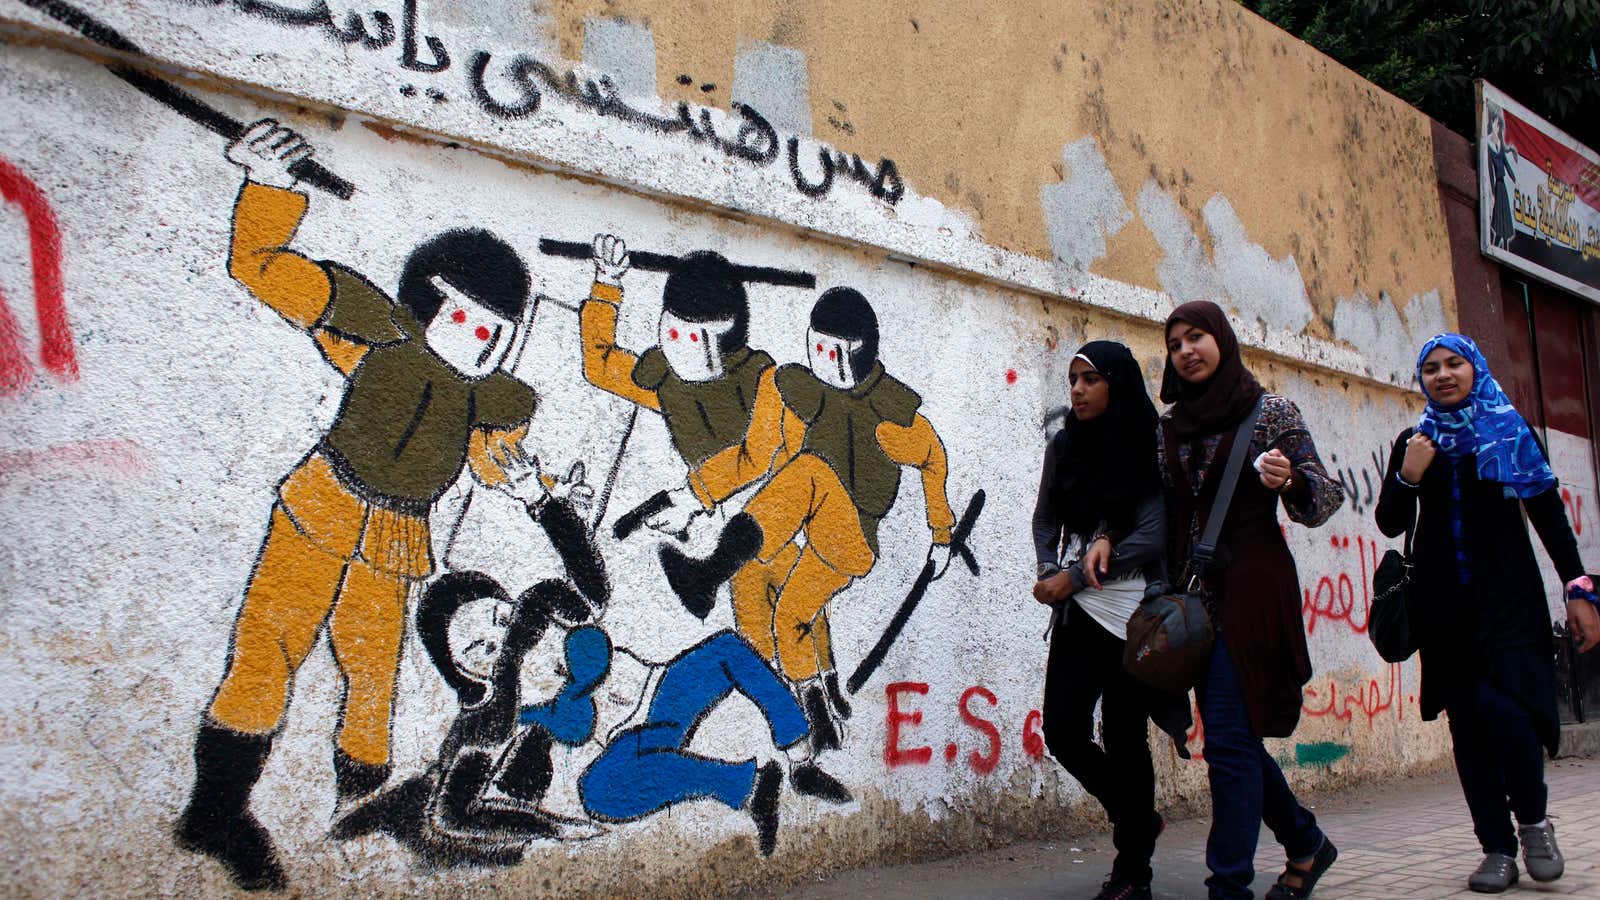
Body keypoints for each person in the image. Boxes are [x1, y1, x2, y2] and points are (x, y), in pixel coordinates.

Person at [176, 119, 542, 891]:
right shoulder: (375, 332)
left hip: (396, 537)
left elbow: (484, 457)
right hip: (323, 506)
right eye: (467, 321)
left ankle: (359, 804)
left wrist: (522, 477)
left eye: (494, 334)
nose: (479, 344)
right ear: (428, 304)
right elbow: (263, 265)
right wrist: (269, 185)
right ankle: (214, 811)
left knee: (374, 673)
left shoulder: (487, 399)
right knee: (270, 647)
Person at [651, 287, 955, 750]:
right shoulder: (789, 388)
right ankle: (819, 719)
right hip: (800, 528)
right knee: (787, 616)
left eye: (834, 352)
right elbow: (753, 456)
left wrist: (941, 533)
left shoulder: (890, 415)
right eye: (816, 347)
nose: (822, 361)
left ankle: (708, 572)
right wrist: (692, 495)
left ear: (859, 352)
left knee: (811, 472)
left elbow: (933, 457)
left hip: (850, 537)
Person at [1375, 333, 1597, 894]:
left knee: (1511, 716)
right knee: (1468, 729)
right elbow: (1387, 519)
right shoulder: (1415, 440)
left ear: (1475, 369)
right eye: (1431, 368)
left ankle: (1535, 826)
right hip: (1442, 611)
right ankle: (1496, 849)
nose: (1443, 375)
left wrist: (1579, 589)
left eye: (1454, 364)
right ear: (1420, 378)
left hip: (1510, 606)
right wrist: (1409, 474)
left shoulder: (1511, 432)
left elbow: (1549, 514)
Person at [1159, 301, 1344, 900]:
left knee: (1231, 743)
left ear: (1223, 340)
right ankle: (1306, 842)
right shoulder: (1170, 427)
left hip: (1253, 595)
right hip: (1194, 603)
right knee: (1231, 742)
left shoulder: (1270, 414)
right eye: (1176, 343)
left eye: (1198, 337)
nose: (1187, 350)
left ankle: (1228, 886)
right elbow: (1163, 515)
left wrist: (1290, 479)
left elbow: (1325, 500)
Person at [1030, 341, 1191, 900]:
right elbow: (1047, 516)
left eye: (1089, 379)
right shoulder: (1064, 447)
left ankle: (1133, 873)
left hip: (1131, 617)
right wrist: (1051, 567)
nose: (1076, 389)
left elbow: (1150, 535)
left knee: (1125, 739)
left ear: (1116, 385)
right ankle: (1137, 819)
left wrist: (1072, 577)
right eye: (1072, 379)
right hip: (1078, 618)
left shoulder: (1144, 446)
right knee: (1063, 729)